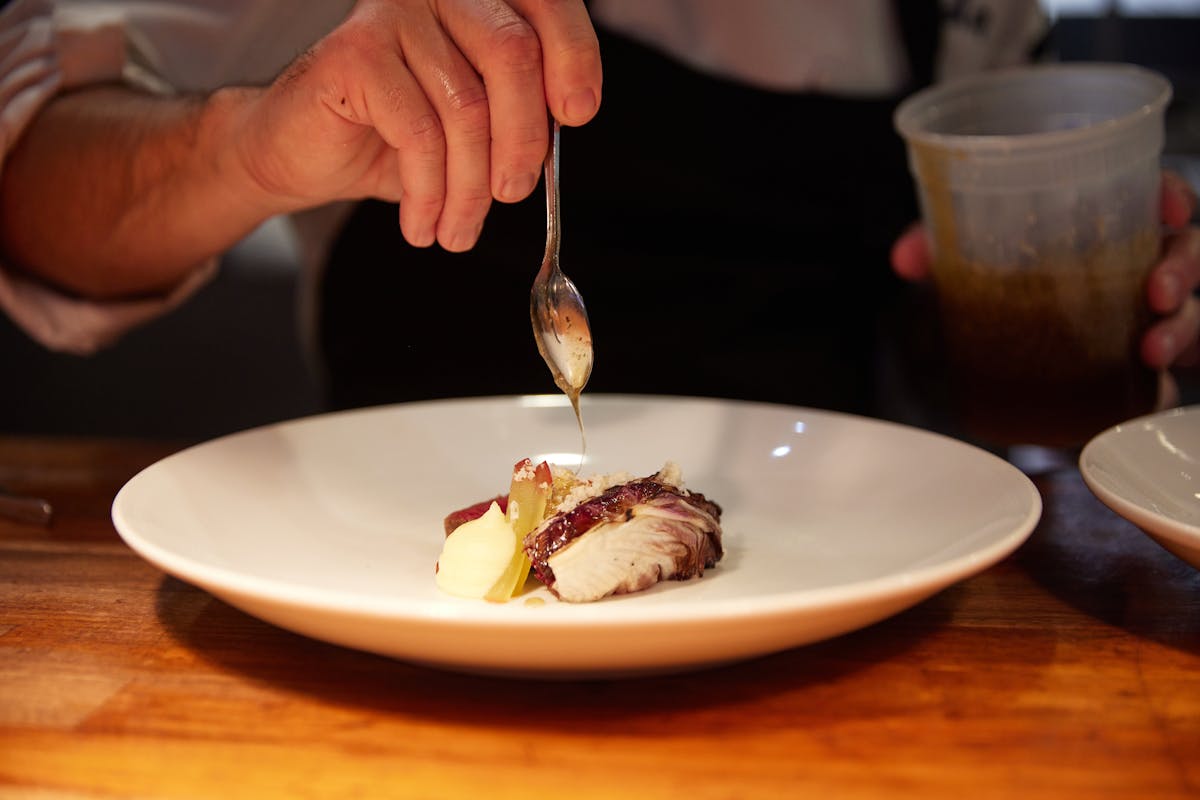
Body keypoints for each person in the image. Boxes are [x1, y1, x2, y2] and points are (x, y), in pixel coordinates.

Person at [1, 1, 1197, 425]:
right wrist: (247, 145)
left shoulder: (963, 13)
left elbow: (933, 331)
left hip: (838, 608)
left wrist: (1035, 291)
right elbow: (29, 185)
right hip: (411, 621)